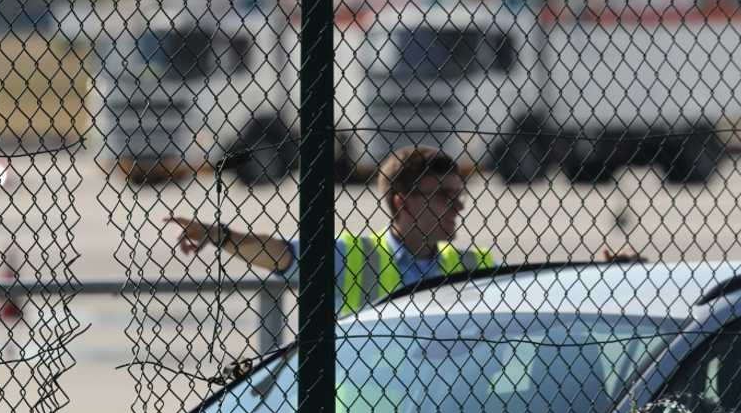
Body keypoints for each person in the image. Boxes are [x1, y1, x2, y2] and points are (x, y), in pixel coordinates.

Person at [167, 144, 638, 316]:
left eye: (459, 196)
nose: (458, 207)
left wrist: (605, 274)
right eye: (443, 197)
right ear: (402, 203)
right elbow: (284, 255)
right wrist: (219, 236)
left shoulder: (470, 265)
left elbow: (539, 289)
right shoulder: (355, 258)